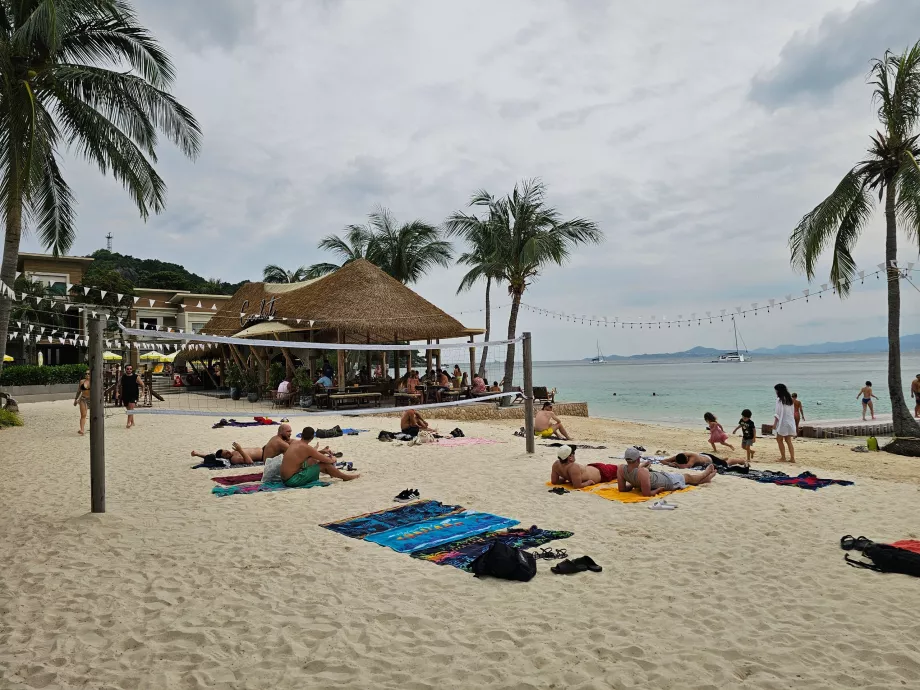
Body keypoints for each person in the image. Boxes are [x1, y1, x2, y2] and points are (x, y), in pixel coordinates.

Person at [618, 446, 716, 497]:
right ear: (638, 459)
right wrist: (658, 490)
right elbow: (647, 494)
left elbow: (622, 489)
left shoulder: (621, 469)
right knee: (687, 477)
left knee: (686, 479)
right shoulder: (642, 471)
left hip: (660, 477)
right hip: (667, 481)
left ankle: (707, 479)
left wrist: (633, 484)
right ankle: (705, 474)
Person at [280, 427, 360, 487]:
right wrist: (333, 459)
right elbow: (327, 461)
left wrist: (322, 451)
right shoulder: (307, 448)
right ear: (312, 438)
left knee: (313, 460)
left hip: (285, 479)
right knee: (324, 465)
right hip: (292, 481)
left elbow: (306, 455)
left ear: (302, 435)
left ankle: (334, 473)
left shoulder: (294, 442)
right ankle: (345, 477)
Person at [551, 445, 619, 488]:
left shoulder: (556, 464)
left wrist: (565, 478)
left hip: (595, 468)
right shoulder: (573, 467)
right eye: (573, 454)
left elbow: (554, 481)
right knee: (619, 468)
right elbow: (577, 486)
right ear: (570, 458)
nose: (574, 455)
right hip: (603, 473)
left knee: (617, 468)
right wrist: (588, 482)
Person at [774, 383, 796, 462]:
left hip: (783, 422)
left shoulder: (779, 399)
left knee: (779, 439)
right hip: (790, 422)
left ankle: (783, 457)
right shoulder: (790, 399)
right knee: (788, 440)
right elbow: (792, 412)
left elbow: (777, 413)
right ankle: (792, 458)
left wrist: (774, 424)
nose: (775, 392)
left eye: (776, 390)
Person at [117, 364, 144, 429]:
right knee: (129, 409)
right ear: (125, 369)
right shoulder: (122, 377)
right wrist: (117, 392)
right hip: (125, 395)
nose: (129, 370)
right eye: (128, 369)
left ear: (132, 370)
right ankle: (132, 422)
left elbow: (142, 384)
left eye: (130, 369)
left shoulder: (136, 377)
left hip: (134, 395)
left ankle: (128, 423)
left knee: (130, 410)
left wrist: (142, 392)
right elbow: (118, 385)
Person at [659, 451, 746, 469]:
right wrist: (669, 463)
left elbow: (687, 466)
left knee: (727, 463)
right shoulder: (679, 456)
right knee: (721, 460)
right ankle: (722, 459)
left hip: (709, 459)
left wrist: (674, 464)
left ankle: (741, 461)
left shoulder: (692, 458)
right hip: (703, 455)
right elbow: (664, 460)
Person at [73, 369, 91, 435]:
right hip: (83, 399)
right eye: (86, 373)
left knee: (94, 415)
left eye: (89, 374)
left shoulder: (94, 381)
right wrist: (75, 399)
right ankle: (82, 429)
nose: (87, 375)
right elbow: (79, 391)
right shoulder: (82, 381)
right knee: (83, 415)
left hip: (92, 400)